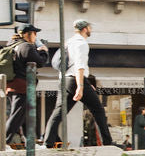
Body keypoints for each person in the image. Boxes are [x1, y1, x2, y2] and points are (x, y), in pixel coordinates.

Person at [44, 19, 114, 148]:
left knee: (59, 112)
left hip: (65, 80)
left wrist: (85, 83)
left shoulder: (68, 42)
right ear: (85, 29)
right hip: (75, 80)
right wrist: (81, 86)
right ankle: (108, 142)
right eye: (89, 27)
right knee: (98, 109)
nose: (90, 30)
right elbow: (80, 66)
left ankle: (48, 142)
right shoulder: (81, 43)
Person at [4, 21, 48, 146]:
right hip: (22, 86)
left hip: (11, 84)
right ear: (27, 34)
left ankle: (30, 144)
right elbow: (40, 62)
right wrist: (43, 50)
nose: (35, 36)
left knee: (25, 116)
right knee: (16, 115)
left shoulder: (12, 44)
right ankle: (3, 143)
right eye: (34, 33)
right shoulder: (26, 46)